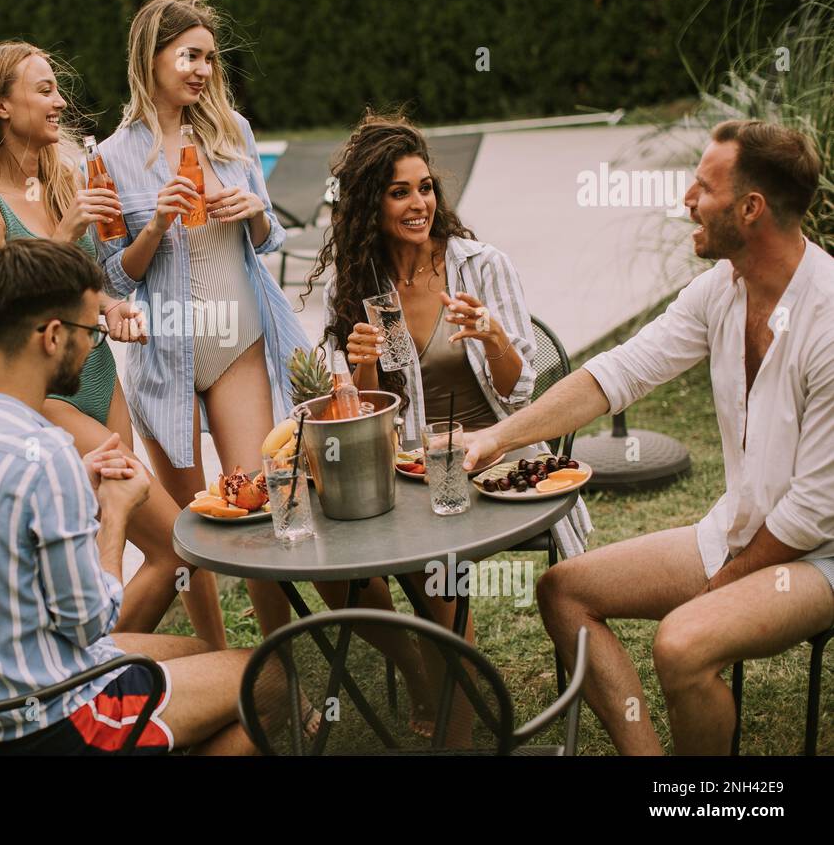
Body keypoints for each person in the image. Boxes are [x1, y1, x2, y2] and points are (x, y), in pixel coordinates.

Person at [462, 119, 834, 754]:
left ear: (750, 209)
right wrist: (498, 436)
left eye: (701, 187)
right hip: (741, 530)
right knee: (564, 590)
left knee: (683, 641)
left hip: (820, 554)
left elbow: (813, 511)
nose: (685, 200)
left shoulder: (827, 319)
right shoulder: (723, 289)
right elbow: (619, 373)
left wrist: (721, 587)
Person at [0, 239, 262, 754]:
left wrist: (77, 479)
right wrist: (112, 516)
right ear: (52, 336)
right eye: (91, 331)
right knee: (264, 677)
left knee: (198, 652)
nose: (95, 346)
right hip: (52, 720)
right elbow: (90, 623)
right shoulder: (45, 456)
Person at [302, 111, 593, 735]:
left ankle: (454, 713)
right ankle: (426, 665)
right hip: (414, 465)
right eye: (399, 191)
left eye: (425, 187)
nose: (418, 204)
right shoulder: (358, 282)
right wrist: (364, 368)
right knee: (333, 555)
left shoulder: (480, 266)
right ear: (367, 204)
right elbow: (376, 414)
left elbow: (519, 387)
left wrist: (492, 335)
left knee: (427, 562)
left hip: (501, 457)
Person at [0, 41, 225, 648]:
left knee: (135, 541)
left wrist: (117, 309)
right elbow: (10, 320)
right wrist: (68, 238)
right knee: (178, 542)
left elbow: (88, 290)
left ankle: (124, 665)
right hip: (49, 399)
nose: (59, 102)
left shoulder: (63, 180)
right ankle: (92, 677)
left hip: (100, 375)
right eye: (43, 90)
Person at [96, 0, 312, 636]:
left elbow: (271, 237)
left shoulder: (232, 133)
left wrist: (254, 210)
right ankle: (218, 658)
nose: (202, 70)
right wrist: (158, 222)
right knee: (193, 525)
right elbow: (114, 277)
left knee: (253, 508)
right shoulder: (112, 155)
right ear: (152, 57)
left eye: (210, 59)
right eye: (189, 55)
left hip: (238, 342)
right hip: (163, 354)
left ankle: (276, 660)